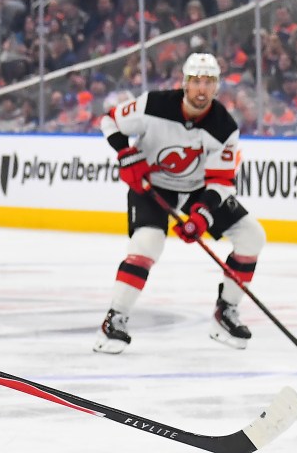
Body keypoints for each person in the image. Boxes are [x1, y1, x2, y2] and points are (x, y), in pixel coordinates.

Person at [93, 53, 266, 353]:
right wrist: (125, 153)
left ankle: (225, 312)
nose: (202, 89)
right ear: (185, 83)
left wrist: (201, 215)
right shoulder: (153, 104)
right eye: (196, 81)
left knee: (252, 236)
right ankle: (114, 320)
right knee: (147, 244)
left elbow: (221, 181)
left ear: (217, 86)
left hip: (197, 189)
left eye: (209, 82)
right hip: (151, 186)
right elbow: (109, 120)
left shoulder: (224, 126)